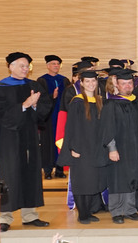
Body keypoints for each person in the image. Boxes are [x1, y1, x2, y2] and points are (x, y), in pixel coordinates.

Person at [0, 52, 52, 232]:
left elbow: (44, 109)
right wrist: (24, 105)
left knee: (31, 174)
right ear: (11, 66)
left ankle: (30, 215)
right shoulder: (0, 87)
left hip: (30, 137)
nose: (26, 69)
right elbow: (1, 115)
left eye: (28, 66)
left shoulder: (33, 85)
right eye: (22, 66)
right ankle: (5, 217)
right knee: (10, 177)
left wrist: (34, 106)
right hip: (9, 138)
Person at [56, 71, 106, 224]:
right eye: (87, 81)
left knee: (92, 181)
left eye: (93, 81)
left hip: (95, 148)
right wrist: (73, 148)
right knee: (81, 182)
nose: (91, 84)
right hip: (81, 148)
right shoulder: (77, 102)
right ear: (82, 83)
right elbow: (71, 127)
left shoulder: (99, 101)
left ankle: (89, 211)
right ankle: (82, 214)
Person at [100, 69, 138, 224]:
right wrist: (112, 148)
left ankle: (130, 209)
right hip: (118, 148)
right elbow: (107, 128)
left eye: (130, 83)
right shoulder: (110, 104)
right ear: (117, 85)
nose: (127, 86)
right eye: (124, 83)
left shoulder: (135, 102)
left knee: (132, 177)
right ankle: (117, 211)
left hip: (135, 147)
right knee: (118, 178)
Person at [37, 55, 70, 180]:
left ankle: (60, 169)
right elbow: (39, 99)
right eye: (53, 63)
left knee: (61, 141)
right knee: (47, 144)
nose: (56, 66)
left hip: (61, 118)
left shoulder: (65, 80)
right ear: (48, 66)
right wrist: (52, 96)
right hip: (48, 118)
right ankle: (47, 170)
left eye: (58, 64)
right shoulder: (42, 80)